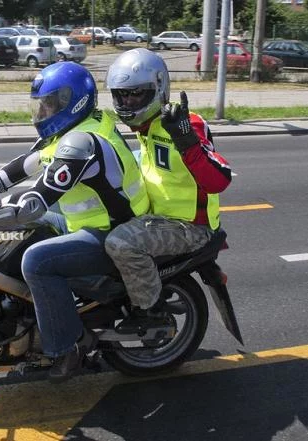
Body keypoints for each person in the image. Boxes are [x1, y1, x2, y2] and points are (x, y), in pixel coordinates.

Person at [0, 61, 149, 382]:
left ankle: (68, 346)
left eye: (50, 103)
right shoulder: (72, 129)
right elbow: (22, 167)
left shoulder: (81, 143)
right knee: (18, 235)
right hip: (87, 222)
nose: (43, 111)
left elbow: (33, 201)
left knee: (36, 261)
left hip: (114, 232)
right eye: (42, 104)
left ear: (71, 101)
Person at [104, 48, 232, 333]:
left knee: (121, 243)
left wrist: (187, 140)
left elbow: (219, 180)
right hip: (158, 218)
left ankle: (150, 312)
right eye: (122, 95)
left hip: (189, 227)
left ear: (158, 89)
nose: (127, 101)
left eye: (136, 94)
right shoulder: (145, 126)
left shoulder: (187, 124)